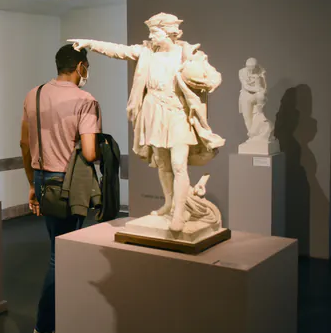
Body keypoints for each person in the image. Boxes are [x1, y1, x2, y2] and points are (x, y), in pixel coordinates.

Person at [70, 12, 224, 232]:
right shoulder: (147, 52)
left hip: (177, 112)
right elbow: (119, 51)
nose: (151, 36)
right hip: (153, 110)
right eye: (150, 32)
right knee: (162, 163)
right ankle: (170, 203)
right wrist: (90, 43)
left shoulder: (187, 54)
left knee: (179, 164)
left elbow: (213, 79)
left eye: (155, 32)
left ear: (170, 32)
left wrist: (198, 73)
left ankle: (180, 212)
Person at [20, 44, 101, 333]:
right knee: (61, 254)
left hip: (42, 179)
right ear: (80, 66)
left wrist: (32, 183)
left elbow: (24, 143)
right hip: (68, 183)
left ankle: (59, 322)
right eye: (86, 66)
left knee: (59, 250)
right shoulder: (86, 100)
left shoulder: (35, 94)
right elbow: (90, 152)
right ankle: (43, 329)